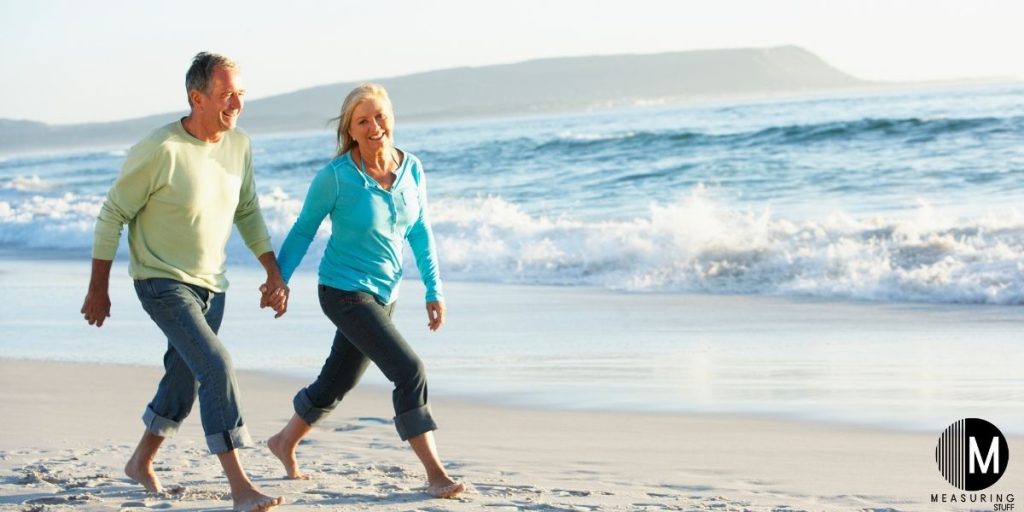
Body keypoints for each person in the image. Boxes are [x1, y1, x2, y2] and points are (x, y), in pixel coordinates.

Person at [81, 52, 286, 512]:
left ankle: (140, 462)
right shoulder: (160, 150)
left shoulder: (239, 145)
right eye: (226, 94)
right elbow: (112, 214)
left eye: (241, 93)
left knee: (185, 374)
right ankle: (241, 487)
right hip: (161, 281)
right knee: (215, 365)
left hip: (212, 285)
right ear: (197, 97)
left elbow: (248, 210)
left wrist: (272, 270)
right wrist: (99, 286)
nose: (237, 103)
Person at [264, 83, 465, 499]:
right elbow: (303, 230)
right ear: (350, 131)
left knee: (338, 380)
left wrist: (434, 288)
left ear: (391, 117)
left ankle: (284, 441)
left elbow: (421, 230)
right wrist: (279, 279)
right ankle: (435, 472)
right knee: (410, 371)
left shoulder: (412, 169)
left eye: (380, 116)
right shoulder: (335, 178)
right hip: (342, 291)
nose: (375, 127)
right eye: (363, 121)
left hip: (385, 294)